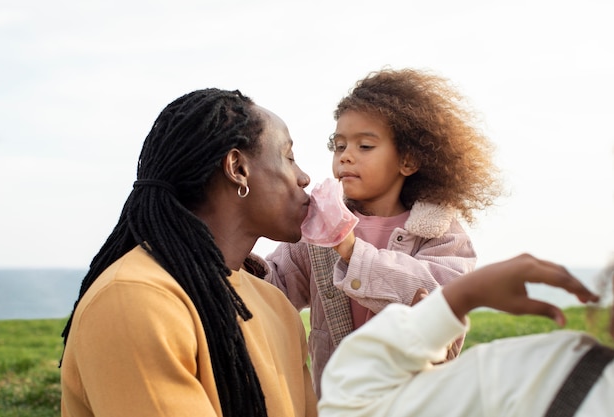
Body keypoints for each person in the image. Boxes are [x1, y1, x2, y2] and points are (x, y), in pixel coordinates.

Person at [60, 88, 318, 417]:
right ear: (238, 168)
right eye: (289, 157)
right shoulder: (135, 299)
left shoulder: (278, 307)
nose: (304, 177)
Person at [265, 67, 502, 396]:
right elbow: (272, 284)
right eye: (339, 146)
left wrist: (349, 248)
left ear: (407, 161)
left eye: (364, 146)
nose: (346, 156)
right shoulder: (318, 232)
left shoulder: (439, 230)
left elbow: (439, 299)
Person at [318, 254, 614, 416]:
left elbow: (350, 402)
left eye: (366, 146)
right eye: (339, 146)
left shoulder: (542, 376)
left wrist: (464, 294)